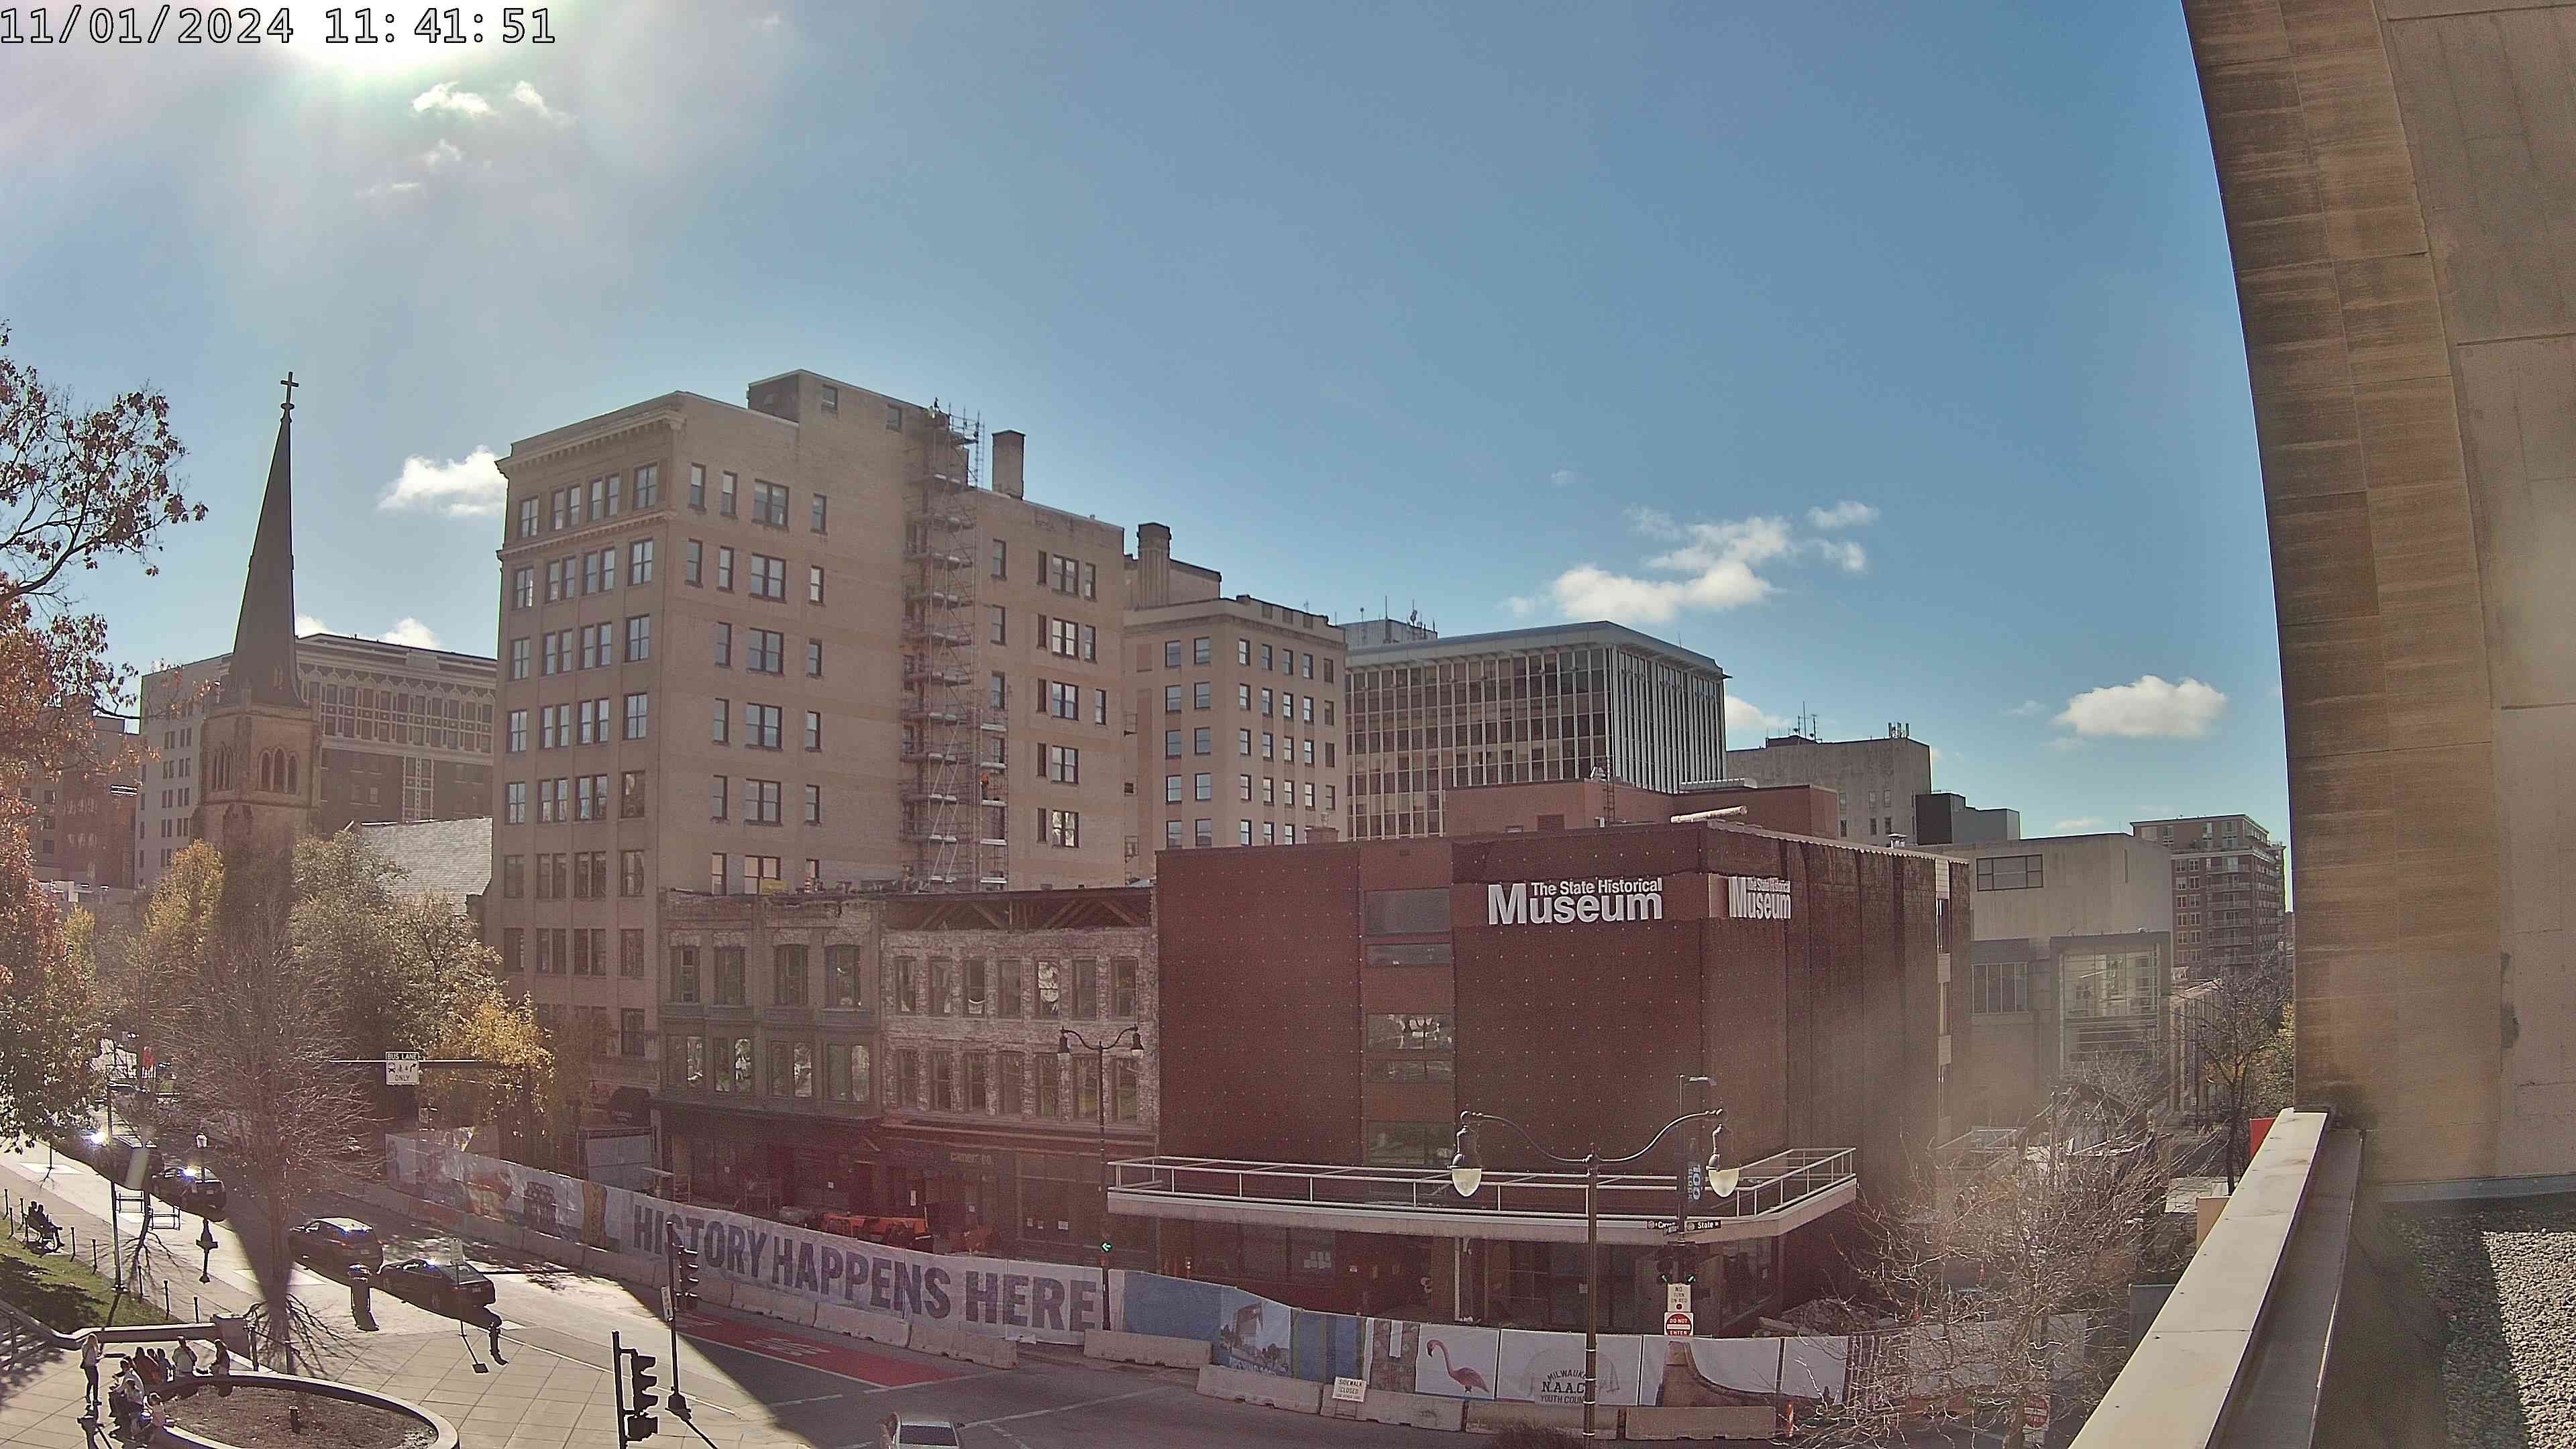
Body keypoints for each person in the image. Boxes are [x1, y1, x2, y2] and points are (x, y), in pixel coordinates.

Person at [79, 1334, 101, 1413]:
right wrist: (100, 1357)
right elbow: (94, 1360)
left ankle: (88, 1395)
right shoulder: (92, 1349)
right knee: (95, 1383)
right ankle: (95, 1399)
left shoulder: (84, 1346)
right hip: (92, 1367)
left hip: (86, 1366)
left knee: (90, 1381)